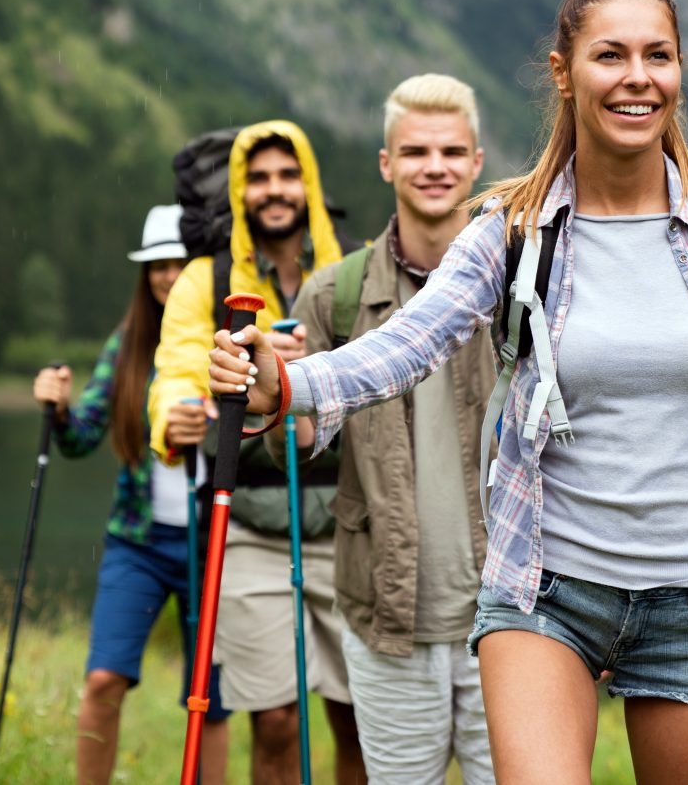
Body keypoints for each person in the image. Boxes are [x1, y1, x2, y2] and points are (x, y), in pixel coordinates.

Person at [210, 0, 688, 785]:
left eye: (660, 56)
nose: (637, 79)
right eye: (610, 56)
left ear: (680, 69)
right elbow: (410, 341)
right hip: (546, 593)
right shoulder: (516, 228)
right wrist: (287, 386)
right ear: (564, 72)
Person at [282, 73, 496, 783]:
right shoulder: (333, 295)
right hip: (386, 617)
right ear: (386, 164)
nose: (433, 167)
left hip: (513, 620)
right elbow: (302, 437)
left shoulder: (523, 287)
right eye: (415, 152)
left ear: (477, 162)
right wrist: (274, 397)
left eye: (449, 152)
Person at [149, 121, 366, 784]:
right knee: (273, 720)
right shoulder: (206, 280)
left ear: (310, 185)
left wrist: (312, 370)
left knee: (358, 721)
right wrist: (174, 418)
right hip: (248, 522)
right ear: (241, 192)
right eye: (260, 178)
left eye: (288, 175)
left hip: (352, 526)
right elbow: (179, 370)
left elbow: (389, 370)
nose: (275, 191)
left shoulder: (355, 272)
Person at [32, 205, 230, 785]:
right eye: (157, 267)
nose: (169, 277)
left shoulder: (224, 343)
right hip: (136, 543)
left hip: (212, 542)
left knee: (210, 699)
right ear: (144, 276)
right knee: (103, 680)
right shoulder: (128, 344)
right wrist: (60, 409)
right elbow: (81, 435)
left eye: (181, 264)